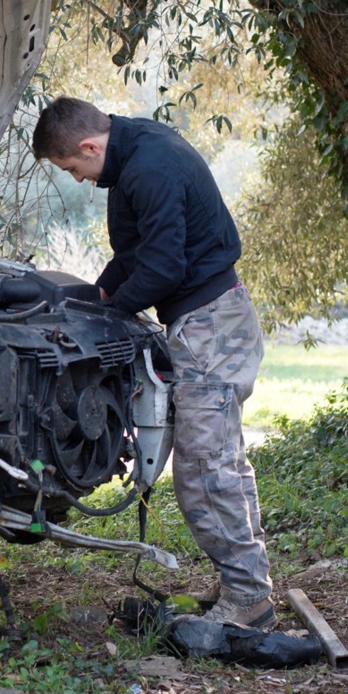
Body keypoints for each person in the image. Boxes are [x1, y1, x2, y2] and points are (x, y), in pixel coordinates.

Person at [32, 97, 274, 629]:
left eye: (73, 168)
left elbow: (163, 266)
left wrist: (112, 314)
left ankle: (249, 600)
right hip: (210, 319)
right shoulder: (135, 153)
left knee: (205, 469)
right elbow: (136, 254)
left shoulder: (149, 168)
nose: (77, 179)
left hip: (211, 326)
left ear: (91, 146)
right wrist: (95, 297)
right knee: (218, 463)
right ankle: (243, 585)